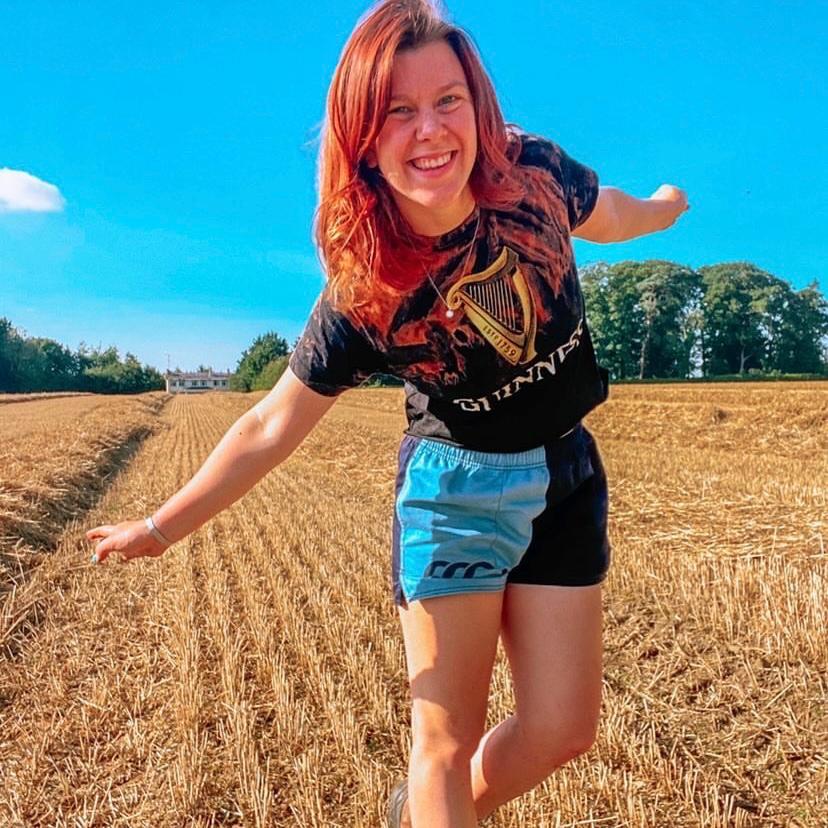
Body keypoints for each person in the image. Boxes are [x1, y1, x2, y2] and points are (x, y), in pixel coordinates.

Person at [86, 1, 690, 825]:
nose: (430, 129)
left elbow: (609, 213)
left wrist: (663, 206)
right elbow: (269, 424)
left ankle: (419, 816)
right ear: (363, 138)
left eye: (448, 100)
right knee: (444, 742)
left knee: (561, 729)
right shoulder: (368, 288)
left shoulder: (533, 173)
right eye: (397, 111)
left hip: (567, 468)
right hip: (456, 494)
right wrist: (158, 528)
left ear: (478, 103)